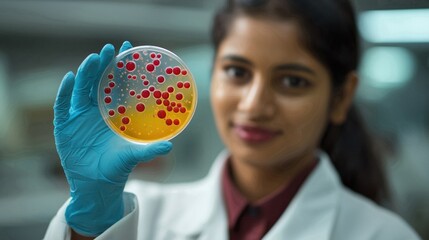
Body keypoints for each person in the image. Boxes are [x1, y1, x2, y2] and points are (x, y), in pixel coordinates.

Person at [44, 0, 422, 239]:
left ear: (341, 97)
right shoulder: (137, 215)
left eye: (293, 81)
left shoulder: (384, 235)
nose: (255, 104)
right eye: (237, 72)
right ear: (212, 73)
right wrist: (91, 226)